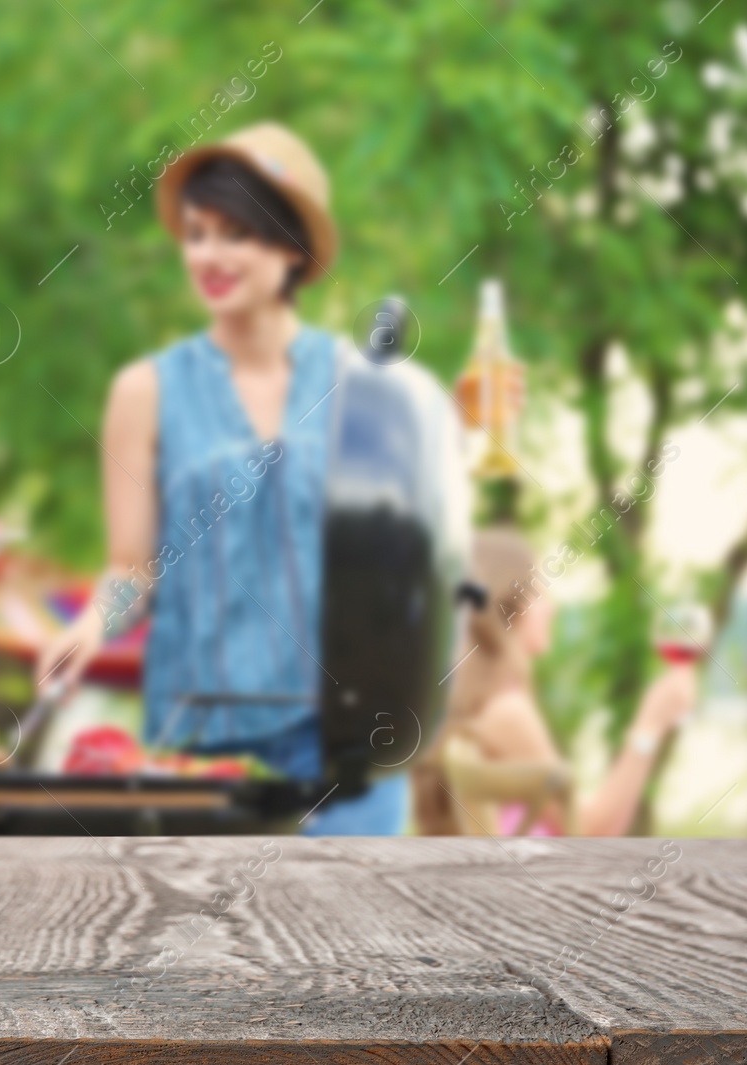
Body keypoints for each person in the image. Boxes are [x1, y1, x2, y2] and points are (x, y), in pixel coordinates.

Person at [36, 122, 459, 834]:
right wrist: (87, 627)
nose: (209, 255)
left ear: (292, 247)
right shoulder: (145, 391)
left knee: (341, 944)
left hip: (340, 745)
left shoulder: (362, 387)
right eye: (197, 234)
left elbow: (411, 558)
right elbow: (130, 571)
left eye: (236, 234)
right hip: (200, 746)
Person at [412, 528, 698, 836]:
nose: (553, 607)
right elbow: (591, 834)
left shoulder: (472, 702)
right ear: (507, 603)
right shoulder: (506, 712)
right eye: (540, 592)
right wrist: (649, 726)